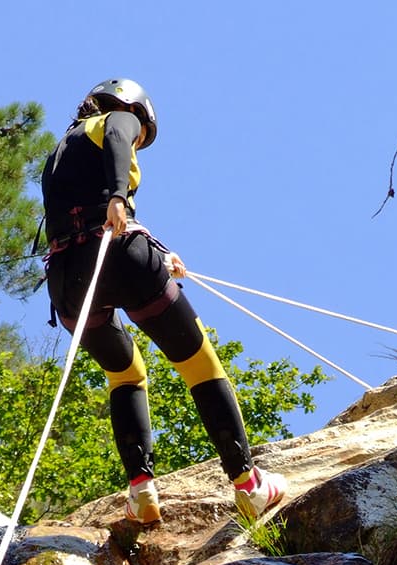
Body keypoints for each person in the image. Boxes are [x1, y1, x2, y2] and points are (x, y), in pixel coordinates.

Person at [40, 77, 287, 524]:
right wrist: (119, 194)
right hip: (118, 256)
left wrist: (159, 247)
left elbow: (81, 213)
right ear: (130, 107)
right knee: (198, 361)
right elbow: (117, 141)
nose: (136, 136)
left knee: (126, 373)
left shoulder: (58, 154)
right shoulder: (114, 119)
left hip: (67, 284)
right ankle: (249, 485)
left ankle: (141, 490)